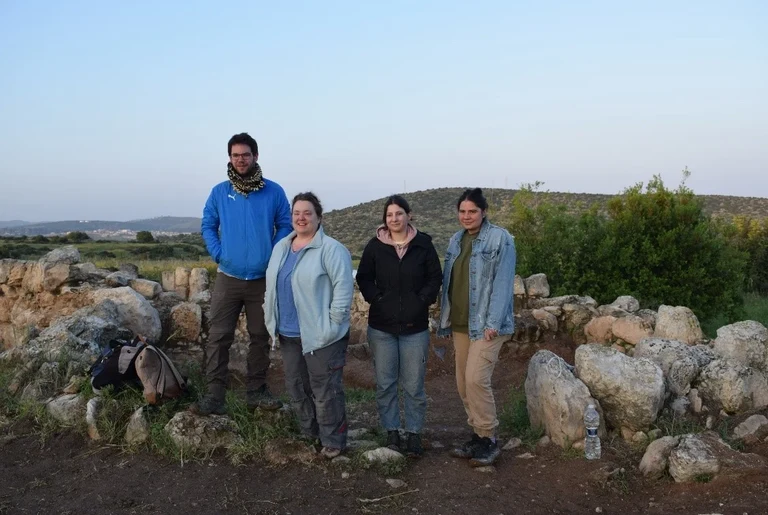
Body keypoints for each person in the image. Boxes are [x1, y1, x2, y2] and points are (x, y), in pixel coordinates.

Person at [193, 133, 292, 415]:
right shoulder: (219, 192)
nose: (241, 160)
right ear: (230, 158)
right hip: (228, 276)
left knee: (260, 336)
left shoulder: (273, 191)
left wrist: (273, 255)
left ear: (256, 157)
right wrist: (219, 253)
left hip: (262, 279)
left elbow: (284, 224)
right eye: (236, 155)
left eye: (245, 155)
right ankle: (214, 395)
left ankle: (256, 391)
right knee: (218, 336)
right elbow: (208, 225)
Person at [264, 192, 354, 459]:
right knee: (296, 387)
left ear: (318, 217)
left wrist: (333, 323)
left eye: (307, 213)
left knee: (325, 389)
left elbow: (343, 287)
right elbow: (273, 285)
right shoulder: (281, 247)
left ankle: (333, 440)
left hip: (321, 335)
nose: (301, 218)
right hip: (289, 332)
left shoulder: (331, 249)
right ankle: (310, 432)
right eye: (296, 213)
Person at [356, 195, 442, 458]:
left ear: (409, 215)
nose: (394, 219)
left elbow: (435, 277)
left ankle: (414, 434)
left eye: (399, 214)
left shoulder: (423, 244)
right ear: (385, 219)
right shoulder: (374, 246)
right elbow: (363, 277)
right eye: (389, 215)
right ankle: (392, 431)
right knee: (385, 383)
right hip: (382, 328)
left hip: (414, 328)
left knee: (414, 385)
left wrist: (421, 301)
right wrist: (377, 299)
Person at [438, 188, 516, 467]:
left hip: (486, 325)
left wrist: (493, 323)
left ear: (484, 212)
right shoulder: (456, 240)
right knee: (462, 384)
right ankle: (477, 434)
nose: (467, 216)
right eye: (462, 211)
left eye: (472, 211)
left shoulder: (500, 239)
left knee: (475, 380)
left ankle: (490, 439)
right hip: (460, 324)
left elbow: (503, 283)